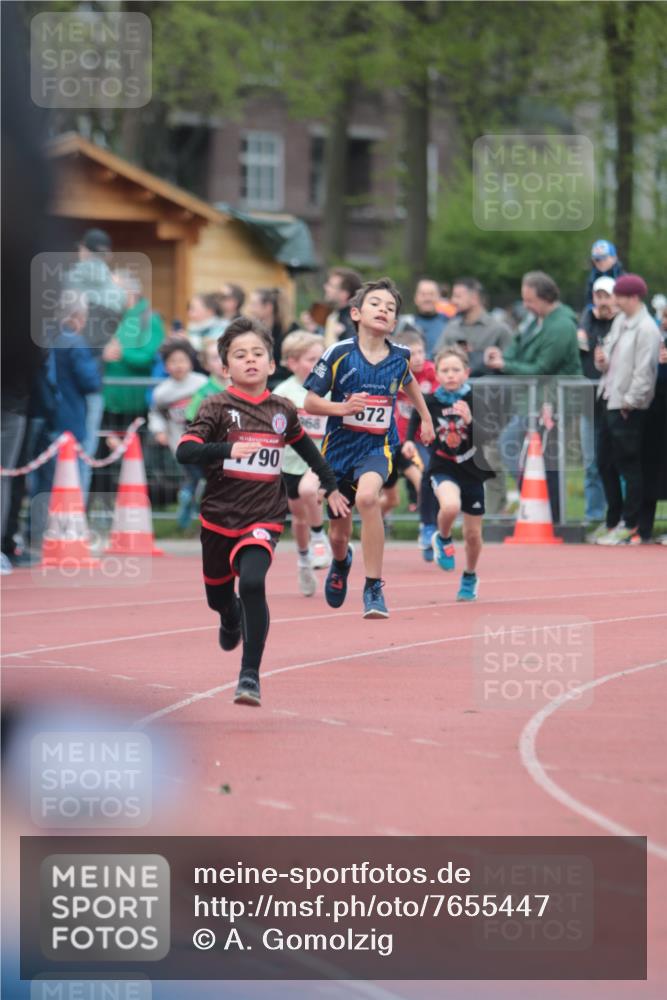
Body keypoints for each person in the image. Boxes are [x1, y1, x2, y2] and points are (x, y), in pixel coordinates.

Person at [176, 317, 348, 706]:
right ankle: (228, 615)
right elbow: (184, 450)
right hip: (218, 517)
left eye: (258, 354)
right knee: (218, 597)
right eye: (240, 355)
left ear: (272, 365)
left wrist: (332, 487)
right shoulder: (216, 406)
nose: (250, 360)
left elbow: (311, 454)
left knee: (253, 583)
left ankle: (249, 675)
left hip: (263, 516)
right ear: (225, 368)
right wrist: (225, 450)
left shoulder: (283, 409)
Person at [304, 277, 435, 619]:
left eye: (390, 308)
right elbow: (311, 402)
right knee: (338, 533)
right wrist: (342, 408)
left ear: (394, 323)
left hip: (378, 448)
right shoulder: (339, 354)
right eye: (376, 304)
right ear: (357, 313)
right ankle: (341, 560)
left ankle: (373, 587)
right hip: (337, 455)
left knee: (367, 498)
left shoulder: (400, 356)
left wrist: (426, 418)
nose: (384, 310)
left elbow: (410, 384)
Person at [485, 271, 581, 523]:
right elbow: (516, 347)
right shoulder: (534, 320)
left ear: (546, 297)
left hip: (552, 402)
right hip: (531, 401)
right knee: (518, 449)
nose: (526, 305)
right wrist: (502, 357)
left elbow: (542, 368)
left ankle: (546, 508)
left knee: (534, 454)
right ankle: (537, 502)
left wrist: (506, 364)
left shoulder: (561, 326)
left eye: (530, 300)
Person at [404, 346, 494, 601]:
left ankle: (469, 575)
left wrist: (469, 422)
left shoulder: (477, 400)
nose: (451, 375)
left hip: (473, 469)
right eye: (445, 370)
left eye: (456, 370)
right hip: (443, 465)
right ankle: (442, 538)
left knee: (473, 535)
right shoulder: (430, 400)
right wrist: (410, 440)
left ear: (466, 373)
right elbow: (416, 417)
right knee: (450, 506)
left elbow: (490, 437)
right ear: (437, 374)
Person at [437, 277, 514, 516]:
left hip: (490, 405)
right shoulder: (452, 328)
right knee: (458, 456)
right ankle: (464, 513)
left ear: (474, 297)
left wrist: (482, 358)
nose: (453, 300)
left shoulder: (498, 328)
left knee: (489, 457)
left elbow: (511, 363)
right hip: (456, 404)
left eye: (458, 295)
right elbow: (438, 356)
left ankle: (493, 515)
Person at [594, 274, 661, 545]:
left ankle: (631, 523)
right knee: (605, 463)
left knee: (629, 465)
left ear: (633, 297)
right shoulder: (620, 322)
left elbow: (645, 371)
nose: (615, 301)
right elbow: (611, 362)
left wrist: (630, 402)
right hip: (609, 397)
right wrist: (602, 362)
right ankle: (614, 519)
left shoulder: (647, 329)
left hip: (627, 406)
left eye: (619, 296)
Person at [64, 228, 127, 495]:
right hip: (93, 378)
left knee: (57, 452)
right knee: (84, 452)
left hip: (61, 381)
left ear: (84, 250)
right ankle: (76, 521)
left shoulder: (67, 282)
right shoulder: (118, 291)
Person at [273, 331, 334, 596]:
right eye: (312, 359)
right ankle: (303, 562)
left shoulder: (330, 389)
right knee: (298, 518)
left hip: (321, 458)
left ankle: (320, 537)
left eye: (323, 359)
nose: (319, 364)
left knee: (310, 491)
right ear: (293, 362)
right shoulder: (282, 393)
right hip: (289, 464)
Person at [386, 328, 438, 558]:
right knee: (390, 498)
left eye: (420, 352)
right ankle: (371, 522)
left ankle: (427, 528)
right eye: (411, 353)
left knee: (424, 477)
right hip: (390, 440)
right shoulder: (393, 372)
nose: (416, 357)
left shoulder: (432, 373)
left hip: (415, 441)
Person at [149, 342, 207, 531]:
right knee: (193, 475)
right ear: (166, 366)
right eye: (173, 361)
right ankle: (189, 500)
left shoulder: (202, 384)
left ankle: (190, 499)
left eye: (182, 360)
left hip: (206, 442)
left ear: (191, 362)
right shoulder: (162, 392)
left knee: (201, 477)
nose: (178, 365)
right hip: (180, 442)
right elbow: (155, 413)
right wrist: (159, 431)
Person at [577, 276, 619, 533]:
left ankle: (622, 516)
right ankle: (594, 517)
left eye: (607, 296)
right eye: (598, 296)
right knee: (591, 464)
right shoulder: (586, 322)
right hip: (589, 403)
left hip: (615, 402)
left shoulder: (622, 323)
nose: (602, 302)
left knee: (617, 462)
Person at [51, 290, 102, 490]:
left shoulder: (48, 337)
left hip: (47, 416)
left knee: (47, 475)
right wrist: (98, 362)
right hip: (72, 418)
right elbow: (90, 382)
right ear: (79, 316)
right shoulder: (76, 343)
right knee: (75, 473)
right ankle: (73, 518)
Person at [398, 278, 450, 360]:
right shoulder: (403, 324)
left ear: (439, 297)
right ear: (415, 298)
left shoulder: (449, 323)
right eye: (423, 294)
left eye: (431, 294)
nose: (427, 298)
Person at [248, 287, 289, 385]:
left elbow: (286, 368)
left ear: (268, 307)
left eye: (254, 304)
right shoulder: (252, 330)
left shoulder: (288, 332)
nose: (250, 309)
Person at [322, 268, 363, 347]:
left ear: (344, 294)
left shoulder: (354, 320)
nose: (326, 287)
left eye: (331, 286)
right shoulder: (335, 314)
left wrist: (344, 335)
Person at [585, 239, 624, 307]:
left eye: (604, 258)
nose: (600, 262)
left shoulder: (624, 278)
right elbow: (589, 302)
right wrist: (593, 311)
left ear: (614, 258)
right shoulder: (592, 278)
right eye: (597, 259)